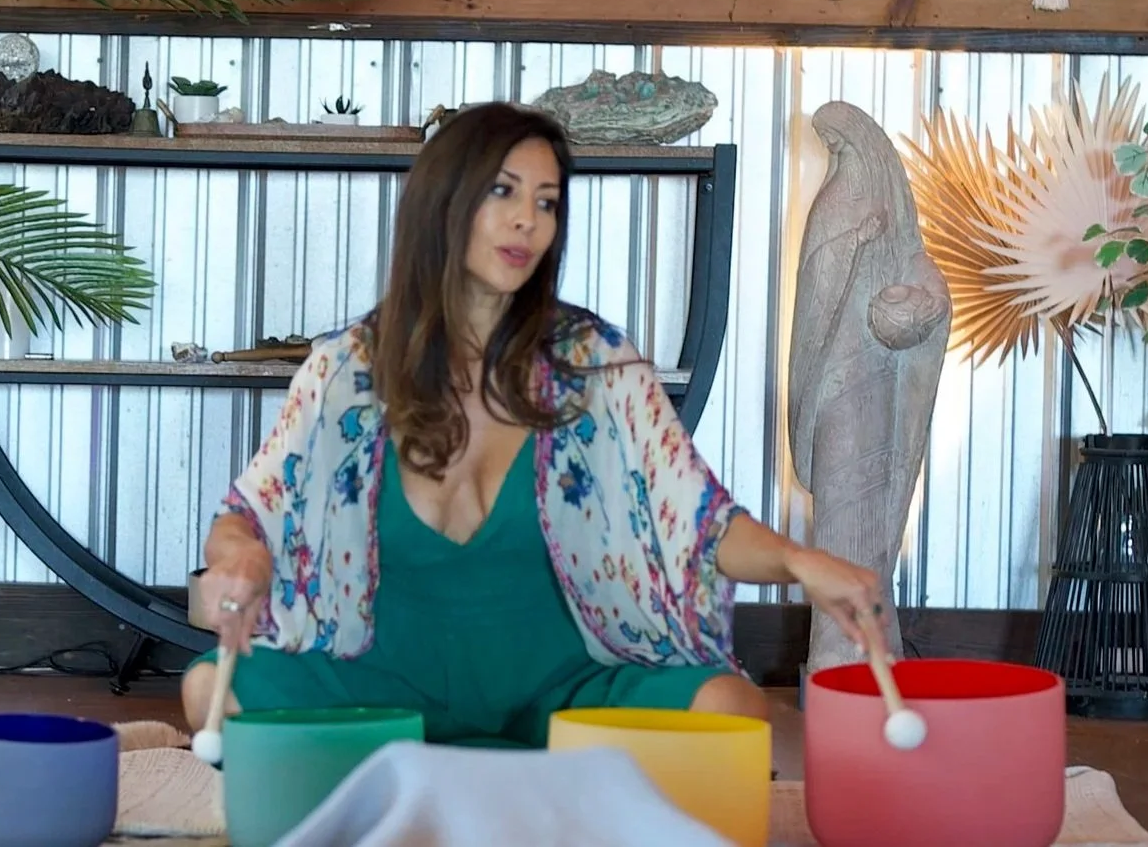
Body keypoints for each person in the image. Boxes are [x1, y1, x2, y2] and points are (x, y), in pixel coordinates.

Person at [183, 102, 886, 747]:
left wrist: (800, 562)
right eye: (503, 191)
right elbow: (250, 513)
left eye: (546, 202)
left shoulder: (596, 367)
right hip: (379, 692)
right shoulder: (347, 372)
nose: (529, 220)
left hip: (562, 696)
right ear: (445, 201)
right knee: (211, 685)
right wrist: (237, 559)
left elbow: (695, 519)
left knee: (731, 709)